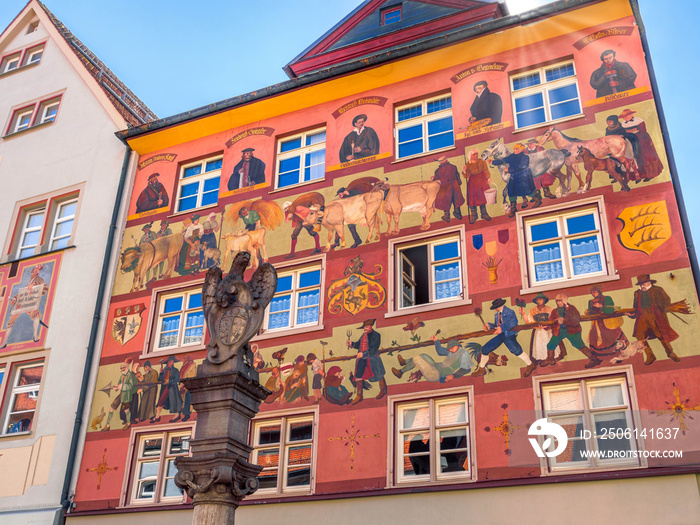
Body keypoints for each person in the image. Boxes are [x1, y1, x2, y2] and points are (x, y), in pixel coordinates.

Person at [471, 298, 536, 377]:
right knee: (485, 349)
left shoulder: (509, 312)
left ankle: (530, 364)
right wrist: (489, 326)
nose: (495, 309)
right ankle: (482, 369)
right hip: (501, 335)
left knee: (516, 350)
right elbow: (496, 326)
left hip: (509, 334)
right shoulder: (497, 315)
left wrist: (502, 328)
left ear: (500, 305)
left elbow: (513, 323)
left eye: (496, 307)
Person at [628, 274, 680, 365]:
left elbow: (667, 301)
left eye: (643, 284)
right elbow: (636, 307)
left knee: (661, 334)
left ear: (649, 282)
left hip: (655, 315)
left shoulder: (658, 290)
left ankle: (670, 352)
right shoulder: (637, 293)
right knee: (639, 335)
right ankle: (650, 355)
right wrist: (631, 314)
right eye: (640, 284)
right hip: (642, 316)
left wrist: (658, 307)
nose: (642, 286)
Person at [1, 263, 49, 348]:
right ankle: (4, 342)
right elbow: (22, 293)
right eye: (35, 271)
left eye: (38, 271)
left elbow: (43, 285)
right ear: (32, 271)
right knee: (11, 319)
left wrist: (34, 285)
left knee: (36, 315)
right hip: (23, 302)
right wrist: (15, 299)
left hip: (30, 302)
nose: (36, 272)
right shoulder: (29, 283)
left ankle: (35, 336)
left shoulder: (38, 279)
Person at [547, 293, 601, 368]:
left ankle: (594, 359)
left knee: (579, 345)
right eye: (557, 301)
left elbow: (576, 320)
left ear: (565, 300)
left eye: (560, 301)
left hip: (572, 330)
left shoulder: (571, 308)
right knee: (550, 345)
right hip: (559, 331)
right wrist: (545, 326)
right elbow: (550, 322)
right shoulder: (555, 311)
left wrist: (564, 320)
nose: (559, 303)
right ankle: (550, 359)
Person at [392, 334, 474, 382]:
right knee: (423, 355)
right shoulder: (452, 351)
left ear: (458, 346)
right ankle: (405, 362)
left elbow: (466, 369)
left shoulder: (463, 354)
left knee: (417, 359)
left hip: (436, 374)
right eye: (449, 348)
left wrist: (453, 376)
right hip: (435, 367)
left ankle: (401, 372)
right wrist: (436, 341)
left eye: (451, 347)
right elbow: (440, 351)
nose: (449, 349)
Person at [489, 143, 540, 217]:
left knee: (528, 191)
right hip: (514, 177)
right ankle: (513, 209)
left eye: (517, 149)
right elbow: (503, 161)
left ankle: (537, 200)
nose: (515, 150)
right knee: (511, 192)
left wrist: (509, 169)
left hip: (523, 177)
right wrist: (493, 162)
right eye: (514, 149)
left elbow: (522, 166)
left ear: (521, 150)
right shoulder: (512, 156)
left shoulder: (525, 157)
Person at [346, 318, 387, 403]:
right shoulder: (363, 335)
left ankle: (383, 390)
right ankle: (359, 395)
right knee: (358, 375)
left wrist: (363, 354)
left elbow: (373, 349)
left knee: (378, 374)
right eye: (364, 327)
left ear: (371, 326)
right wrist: (352, 344)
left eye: (367, 326)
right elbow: (359, 345)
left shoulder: (376, 335)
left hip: (372, 358)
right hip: (361, 359)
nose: (365, 328)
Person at [585, 285, 628, 361]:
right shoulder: (590, 301)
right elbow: (590, 312)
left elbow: (611, 310)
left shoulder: (606, 298)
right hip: (596, 323)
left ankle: (619, 356)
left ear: (598, 291)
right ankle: (598, 358)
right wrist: (588, 312)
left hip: (608, 322)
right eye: (591, 292)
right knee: (595, 338)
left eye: (594, 292)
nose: (593, 294)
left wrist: (601, 307)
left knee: (612, 338)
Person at [519, 292, 563, 367]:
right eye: (537, 300)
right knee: (540, 345)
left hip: (548, 331)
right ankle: (543, 360)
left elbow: (554, 320)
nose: (538, 301)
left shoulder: (549, 309)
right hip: (538, 331)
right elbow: (528, 322)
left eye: (540, 299)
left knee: (549, 344)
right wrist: (523, 314)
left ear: (544, 300)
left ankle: (551, 359)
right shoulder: (532, 310)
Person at [619, 108, 663, 181]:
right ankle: (641, 174)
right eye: (623, 117)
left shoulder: (638, 120)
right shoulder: (623, 123)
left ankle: (650, 174)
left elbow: (642, 130)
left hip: (642, 139)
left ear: (631, 115)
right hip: (631, 139)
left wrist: (632, 131)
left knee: (645, 156)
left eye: (626, 116)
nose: (624, 118)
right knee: (636, 156)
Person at [282, 194, 324, 259]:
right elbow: (287, 220)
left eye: (286, 208)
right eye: (285, 209)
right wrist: (290, 216)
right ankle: (292, 253)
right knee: (294, 235)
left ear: (289, 206)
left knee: (313, 232)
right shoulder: (290, 211)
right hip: (299, 222)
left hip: (305, 220)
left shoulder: (297, 207)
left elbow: (307, 211)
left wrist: (306, 219)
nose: (286, 210)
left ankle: (318, 248)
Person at [103, 359, 136, 431]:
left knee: (126, 410)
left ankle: (128, 424)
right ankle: (107, 425)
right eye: (121, 368)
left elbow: (131, 385)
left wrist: (122, 386)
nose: (122, 369)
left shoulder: (130, 375)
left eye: (123, 368)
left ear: (127, 368)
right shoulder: (122, 376)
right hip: (121, 394)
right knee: (111, 408)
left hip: (126, 395)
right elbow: (119, 385)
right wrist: (116, 387)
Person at [462, 149, 492, 224]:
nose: (476, 155)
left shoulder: (481, 161)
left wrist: (488, 177)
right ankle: (474, 215)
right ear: (470, 156)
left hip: (482, 181)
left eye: (477, 154)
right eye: (474, 154)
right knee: (472, 200)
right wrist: (464, 171)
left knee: (482, 198)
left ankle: (484, 214)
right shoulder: (468, 164)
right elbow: (466, 176)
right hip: (472, 184)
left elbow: (486, 170)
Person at [432, 156, 465, 222]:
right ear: (446, 160)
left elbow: (436, 181)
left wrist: (433, 179)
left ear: (440, 163)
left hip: (445, 188)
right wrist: (459, 183)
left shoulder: (437, 171)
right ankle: (458, 214)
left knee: (445, 202)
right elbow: (457, 176)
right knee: (456, 200)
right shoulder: (453, 167)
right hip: (455, 186)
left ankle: (447, 216)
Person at [152, 355, 182, 423]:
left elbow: (177, 379)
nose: (171, 363)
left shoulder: (175, 370)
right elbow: (160, 380)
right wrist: (161, 373)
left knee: (174, 402)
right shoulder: (164, 370)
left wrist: (169, 381)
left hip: (172, 388)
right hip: (164, 388)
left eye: (172, 362)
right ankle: (157, 416)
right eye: (170, 361)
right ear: (168, 362)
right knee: (161, 401)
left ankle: (177, 415)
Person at [179, 355, 197, 422]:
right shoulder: (184, 366)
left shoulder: (192, 365)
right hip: (183, 385)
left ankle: (187, 413)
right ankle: (179, 411)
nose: (183, 359)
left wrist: (184, 384)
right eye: (183, 358)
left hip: (190, 385)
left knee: (187, 396)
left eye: (185, 358)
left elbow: (192, 376)